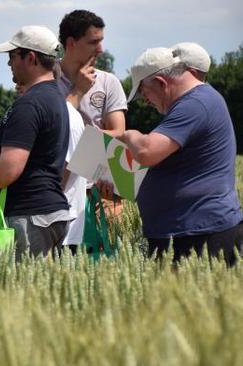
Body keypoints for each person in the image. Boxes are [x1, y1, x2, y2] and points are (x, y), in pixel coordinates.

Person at [120, 47, 243, 264]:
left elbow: (147, 152)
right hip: (190, 232)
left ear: (161, 82)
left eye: (143, 92)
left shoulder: (194, 104)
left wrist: (131, 135)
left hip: (200, 235)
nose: (144, 100)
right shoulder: (195, 102)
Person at [0, 26, 70, 259]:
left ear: (31, 58)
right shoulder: (54, 98)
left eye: (13, 56)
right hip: (46, 212)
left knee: (19, 293)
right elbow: (28, 153)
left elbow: (7, 171)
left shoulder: (30, 104)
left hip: (28, 216)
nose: (9, 63)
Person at [57, 10, 128, 222]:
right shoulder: (48, 81)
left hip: (103, 187)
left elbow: (118, 131)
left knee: (107, 253)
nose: (101, 49)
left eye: (101, 41)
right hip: (60, 189)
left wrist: (77, 146)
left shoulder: (109, 82)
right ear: (71, 43)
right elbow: (49, 130)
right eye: (93, 42)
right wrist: (77, 91)